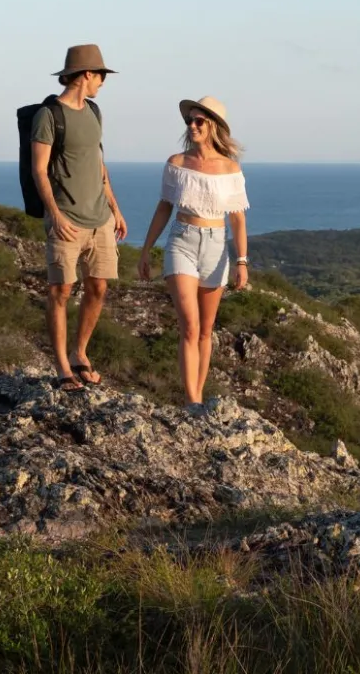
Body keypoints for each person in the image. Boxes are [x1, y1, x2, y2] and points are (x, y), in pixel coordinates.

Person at [138, 96, 248, 410]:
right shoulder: (176, 163)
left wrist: (242, 260)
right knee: (189, 325)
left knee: (206, 330)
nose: (193, 125)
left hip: (216, 244)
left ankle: (198, 397)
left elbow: (238, 218)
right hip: (181, 241)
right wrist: (146, 250)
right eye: (190, 120)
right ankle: (191, 401)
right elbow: (163, 207)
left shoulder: (229, 168)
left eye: (200, 120)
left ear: (213, 126)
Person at [30, 44, 127, 392]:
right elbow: (39, 169)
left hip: (99, 218)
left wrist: (114, 207)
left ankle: (79, 353)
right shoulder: (49, 115)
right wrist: (53, 214)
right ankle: (61, 368)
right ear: (87, 74)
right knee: (61, 291)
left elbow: (98, 164)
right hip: (66, 219)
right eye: (100, 75)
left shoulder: (94, 112)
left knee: (98, 287)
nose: (102, 82)